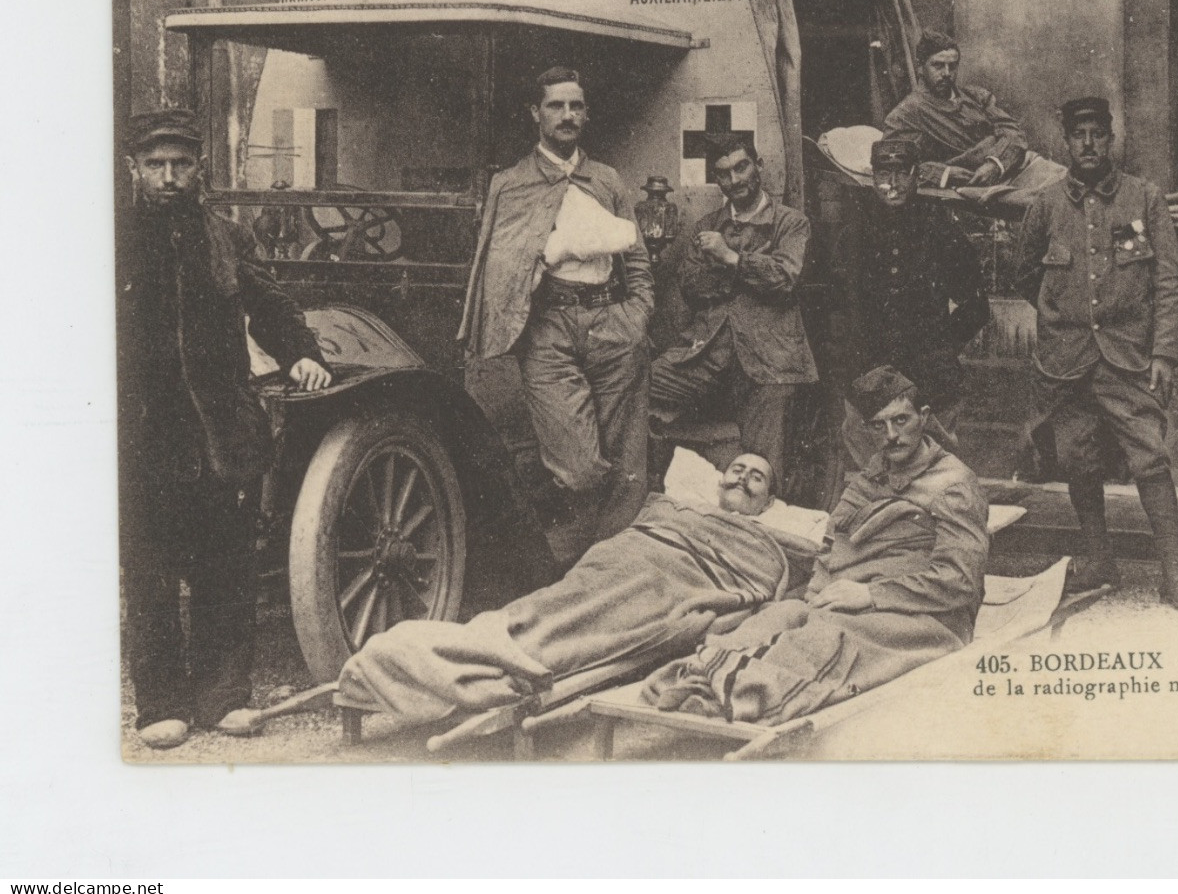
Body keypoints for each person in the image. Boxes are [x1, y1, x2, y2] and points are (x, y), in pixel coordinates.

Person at [117, 109, 333, 750]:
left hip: (222, 430)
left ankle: (223, 698)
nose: (169, 177)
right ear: (135, 169)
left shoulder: (226, 238)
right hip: (143, 434)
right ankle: (160, 704)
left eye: (181, 164)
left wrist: (302, 353)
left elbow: (269, 303)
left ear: (199, 168)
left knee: (226, 568)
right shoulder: (111, 238)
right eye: (155, 165)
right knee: (150, 573)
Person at [331, 453, 823, 726]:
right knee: (566, 596)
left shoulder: (765, 541)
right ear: (719, 481)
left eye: (756, 476)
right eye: (736, 469)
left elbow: (759, 585)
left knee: (619, 608)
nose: (743, 478)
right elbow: (637, 532)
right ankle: (492, 639)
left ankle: (485, 653)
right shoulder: (678, 508)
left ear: (769, 501)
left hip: (674, 579)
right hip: (632, 553)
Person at [642, 366, 991, 724]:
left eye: (901, 420)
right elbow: (832, 544)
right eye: (878, 425)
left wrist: (869, 595)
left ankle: (740, 692)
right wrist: (817, 593)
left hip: (927, 617)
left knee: (825, 638)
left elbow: (960, 581)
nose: (891, 435)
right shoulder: (870, 478)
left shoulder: (953, 483)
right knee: (775, 617)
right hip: (848, 600)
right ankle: (702, 675)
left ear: (924, 417)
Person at [1013, 97, 1178, 610]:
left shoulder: (1144, 198)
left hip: (1129, 359)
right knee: (1078, 460)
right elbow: (1025, 272)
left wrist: (1163, 353)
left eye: (1098, 134)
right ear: (1067, 143)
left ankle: (1174, 573)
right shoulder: (1047, 204)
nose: (1089, 144)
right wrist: (1063, 316)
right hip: (1067, 362)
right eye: (1080, 136)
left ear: (1111, 139)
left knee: (1152, 460)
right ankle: (1100, 560)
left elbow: (1167, 282)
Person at [457, 66, 654, 562]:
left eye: (576, 106)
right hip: (549, 331)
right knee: (581, 467)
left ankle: (610, 574)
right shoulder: (512, 183)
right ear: (535, 114)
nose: (567, 116)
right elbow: (496, 265)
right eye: (556, 106)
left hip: (614, 325)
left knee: (626, 460)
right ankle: (568, 560)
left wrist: (638, 315)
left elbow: (635, 257)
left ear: (585, 113)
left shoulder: (606, 179)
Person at [649, 133, 818, 482]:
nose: (735, 180)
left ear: (759, 166)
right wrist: (749, 272)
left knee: (763, 469)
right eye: (724, 173)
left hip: (770, 361)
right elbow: (692, 288)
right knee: (638, 384)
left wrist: (729, 258)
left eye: (742, 167)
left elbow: (785, 278)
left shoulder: (791, 222)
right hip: (706, 356)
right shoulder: (706, 226)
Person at [830, 133, 990, 464]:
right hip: (868, 373)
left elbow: (976, 304)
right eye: (883, 174)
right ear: (872, 177)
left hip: (928, 376)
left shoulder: (939, 228)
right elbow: (833, 306)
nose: (893, 183)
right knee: (873, 470)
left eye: (902, 173)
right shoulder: (853, 233)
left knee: (934, 471)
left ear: (916, 175)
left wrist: (942, 345)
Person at [881, 30, 1065, 198]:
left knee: (1069, 183)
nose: (947, 73)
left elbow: (1013, 133)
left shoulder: (977, 96)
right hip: (978, 186)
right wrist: (945, 173)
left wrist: (995, 164)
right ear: (921, 68)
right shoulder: (905, 114)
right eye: (938, 66)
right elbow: (893, 167)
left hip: (1015, 165)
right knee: (1051, 202)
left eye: (952, 66)